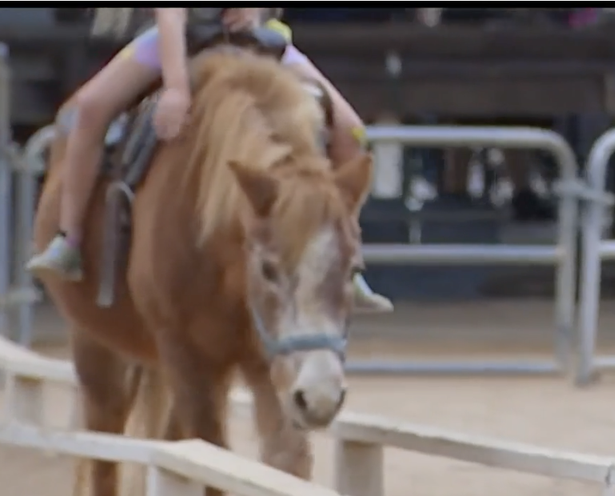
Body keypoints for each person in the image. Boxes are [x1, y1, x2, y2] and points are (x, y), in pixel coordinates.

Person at [27, 8, 391, 310]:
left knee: (351, 131)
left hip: (254, 37)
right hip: (177, 37)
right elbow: (169, 14)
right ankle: (69, 237)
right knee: (90, 108)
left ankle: (345, 255)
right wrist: (176, 88)